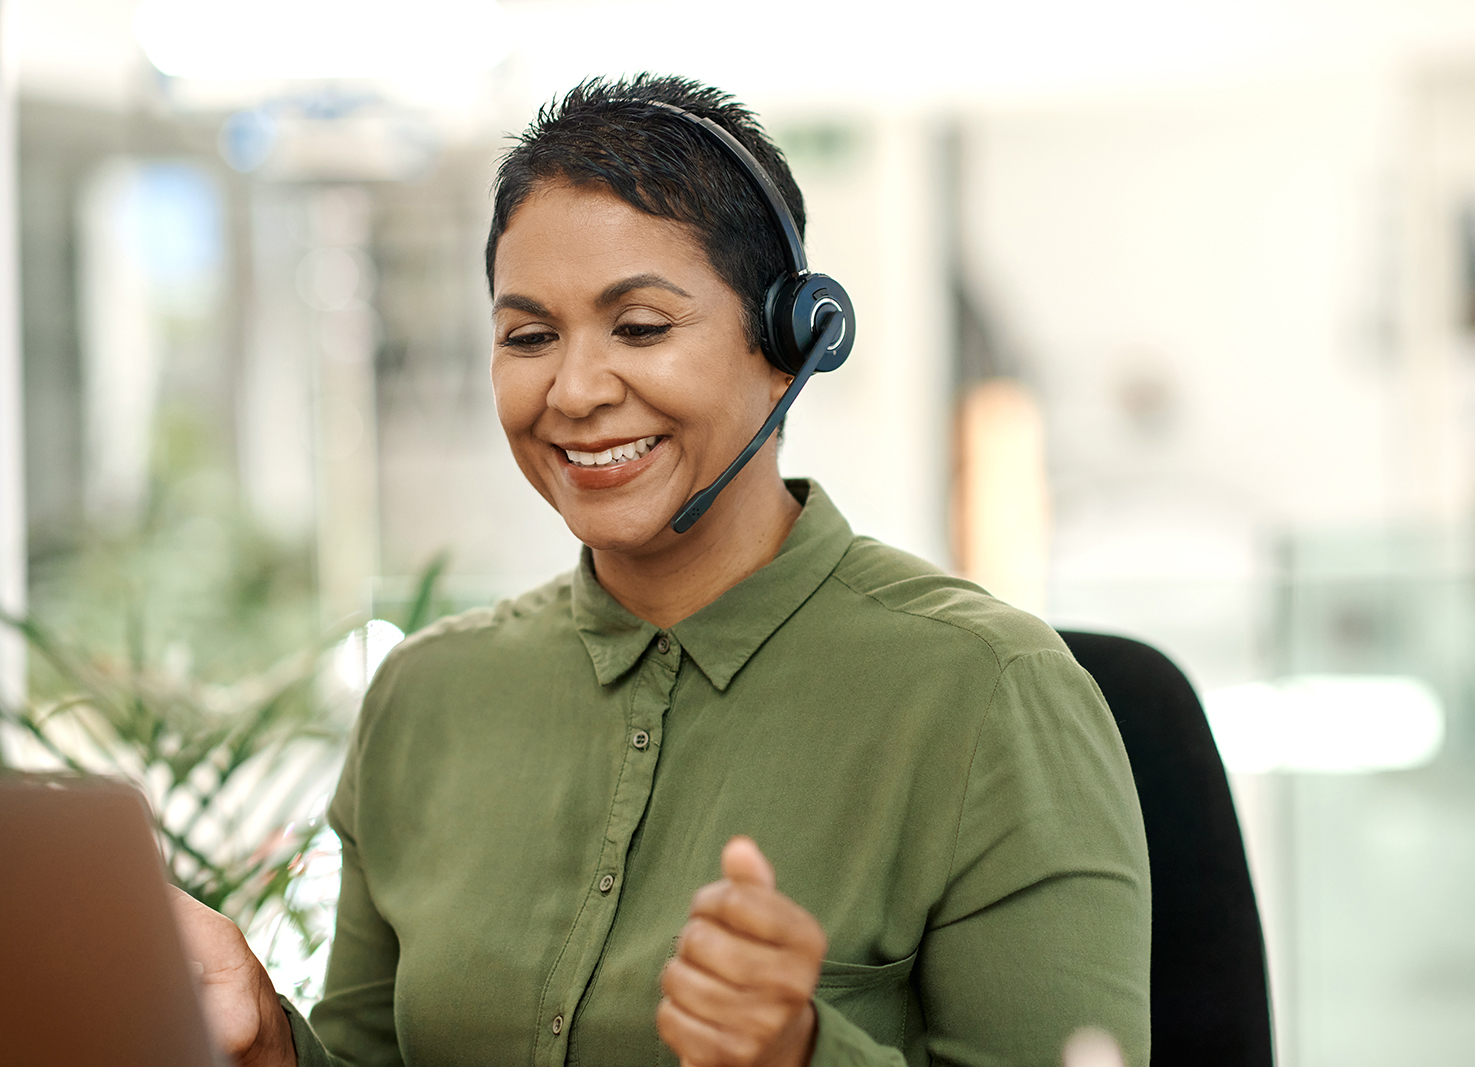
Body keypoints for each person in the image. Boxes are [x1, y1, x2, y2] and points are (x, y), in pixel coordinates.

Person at [171, 74, 1152, 1067]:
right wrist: (261, 1041)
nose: (577, 388)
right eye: (528, 336)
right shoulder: (425, 698)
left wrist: (800, 1052)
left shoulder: (985, 693)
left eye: (639, 327)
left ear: (790, 343)